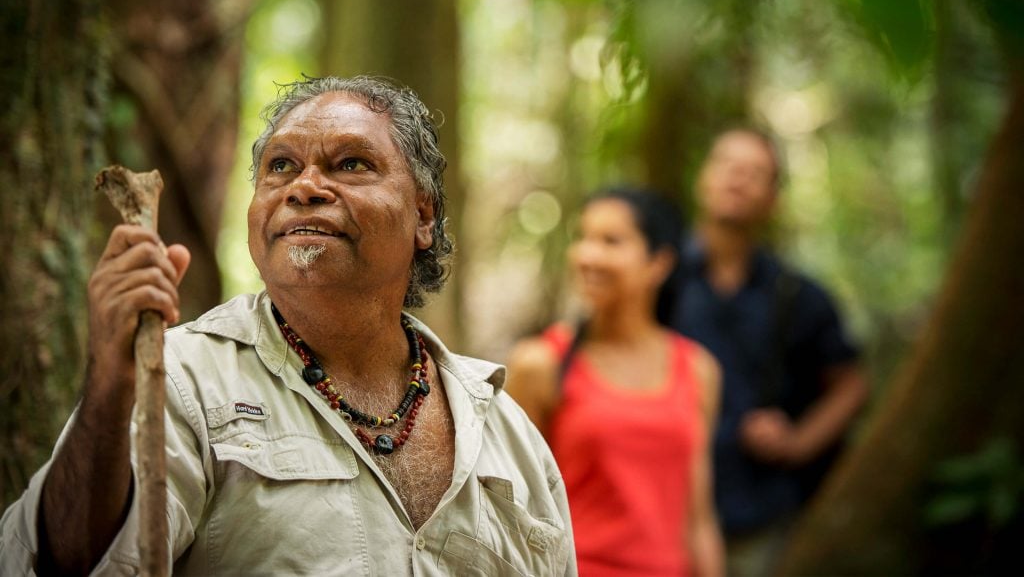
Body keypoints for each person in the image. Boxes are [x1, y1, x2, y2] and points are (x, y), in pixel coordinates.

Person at [0, 75, 576, 576]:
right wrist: (108, 383)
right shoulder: (181, 379)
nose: (304, 187)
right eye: (281, 166)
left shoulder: (504, 430)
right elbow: (65, 561)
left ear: (422, 215)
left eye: (350, 164)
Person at [670, 128, 869, 577]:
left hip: (757, 516)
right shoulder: (658, 280)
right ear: (703, 178)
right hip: (665, 515)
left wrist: (798, 441)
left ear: (773, 198)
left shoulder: (798, 295)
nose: (737, 179)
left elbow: (851, 385)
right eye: (726, 165)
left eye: (755, 173)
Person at [505, 187, 725, 577]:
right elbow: (510, 513)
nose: (588, 255)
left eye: (611, 241)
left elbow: (698, 519)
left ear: (659, 263)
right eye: (584, 238)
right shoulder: (540, 364)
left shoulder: (698, 369)